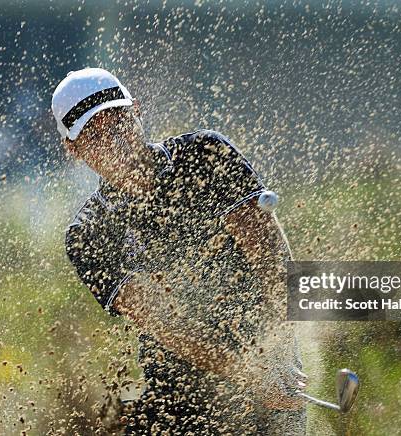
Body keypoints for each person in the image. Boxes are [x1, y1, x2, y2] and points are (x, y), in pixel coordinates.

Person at [52, 68, 306, 435]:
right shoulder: (88, 233)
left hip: (272, 376)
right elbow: (160, 319)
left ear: (136, 111)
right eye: (94, 135)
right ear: (73, 150)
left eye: (118, 122)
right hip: (178, 402)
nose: (113, 140)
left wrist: (279, 345)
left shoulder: (204, 154)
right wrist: (244, 370)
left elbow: (270, 255)